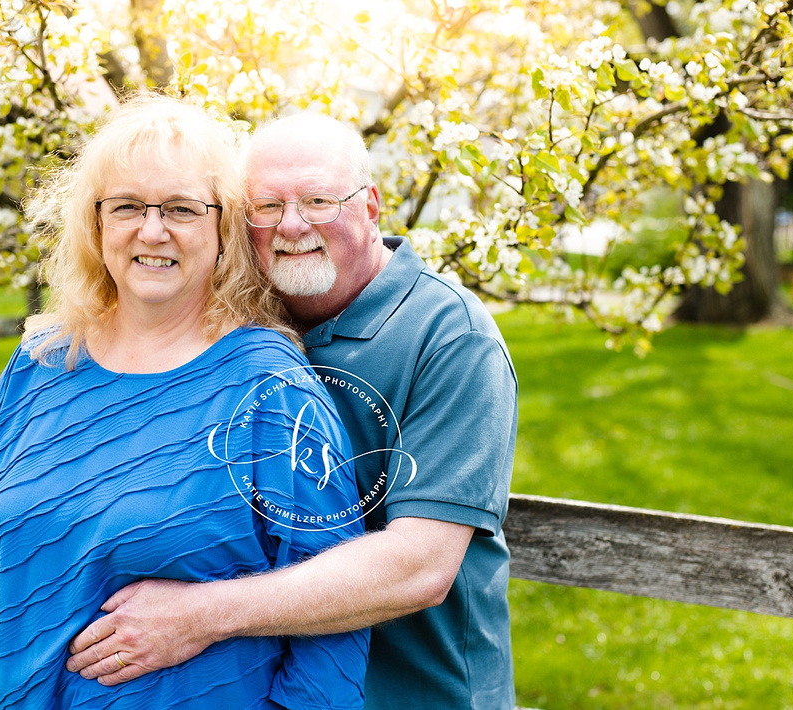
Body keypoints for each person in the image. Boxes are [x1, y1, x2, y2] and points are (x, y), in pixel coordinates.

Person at [0, 98, 369, 710]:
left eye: (181, 208)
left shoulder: (272, 393)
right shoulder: (39, 364)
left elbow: (334, 642)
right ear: (96, 222)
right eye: (127, 205)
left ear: (222, 227)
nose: (152, 231)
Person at [66, 114, 519, 709]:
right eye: (267, 205)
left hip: (411, 693)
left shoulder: (448, 336)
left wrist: (198, 615)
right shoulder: (234, 326)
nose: (293, 225)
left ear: (372, 205)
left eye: (319, 201)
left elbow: (421, 565)